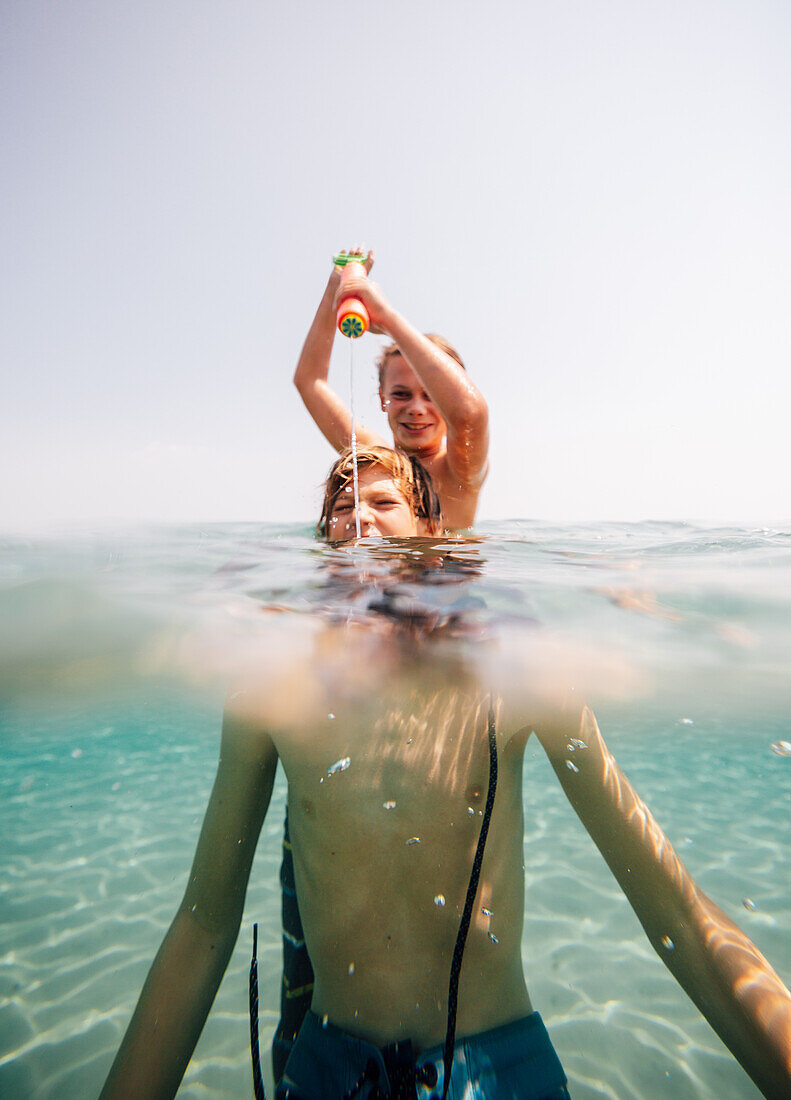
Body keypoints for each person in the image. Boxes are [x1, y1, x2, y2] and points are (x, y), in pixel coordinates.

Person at [100, 451, 791, 1100]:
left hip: (500, 1059)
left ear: (432, 535)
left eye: (381, 500)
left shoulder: (514, 671)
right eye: (340, 506)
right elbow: (201, 927)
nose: (359, 517)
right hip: (327, 1065)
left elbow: (677, 912)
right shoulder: (272, 685)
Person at [294, 250, 489, 530]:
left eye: (432, 395)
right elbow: (310, 382)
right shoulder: (373, 455)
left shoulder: (460, 471)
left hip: (451, 571)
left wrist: (387, 320)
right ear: (382, 398)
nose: (417, 408)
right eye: (401, 394)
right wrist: (336, 291)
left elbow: (470, 414)